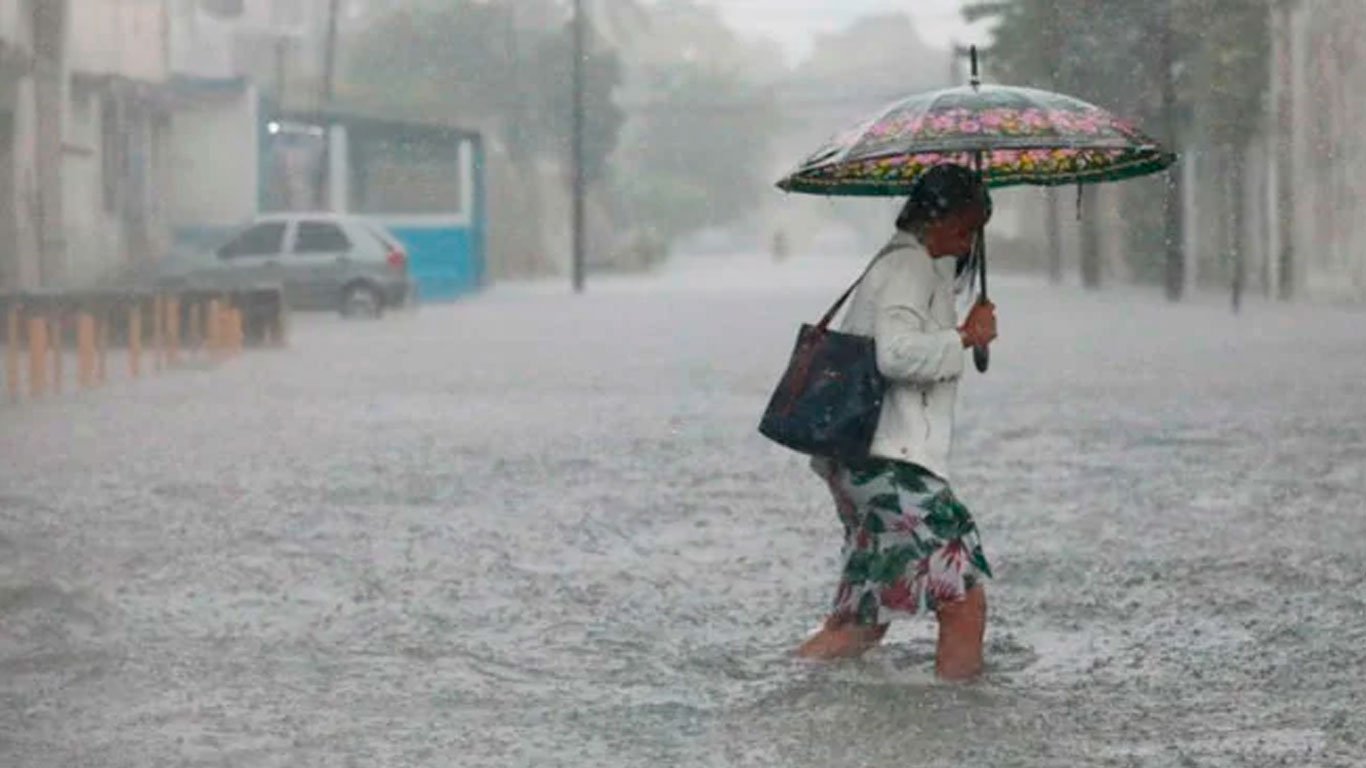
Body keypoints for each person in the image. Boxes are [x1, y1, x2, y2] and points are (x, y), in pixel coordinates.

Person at [796, 163, 997, 681]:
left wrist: (960, 331)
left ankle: (784, 689)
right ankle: (963, 722)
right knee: (963, 602)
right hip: (891, 464)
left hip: (861, 460)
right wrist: (965, 338)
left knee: (860, 624)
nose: (967, 244)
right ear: (935, 219)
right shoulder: (909, 266)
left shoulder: (906, 263)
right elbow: (897, 355)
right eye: (964, 229)